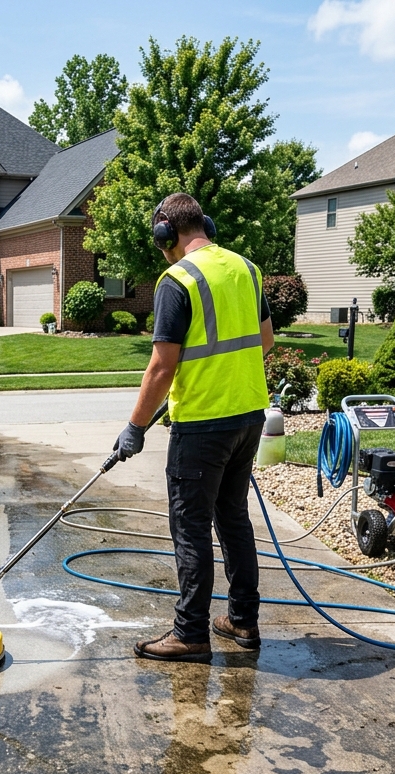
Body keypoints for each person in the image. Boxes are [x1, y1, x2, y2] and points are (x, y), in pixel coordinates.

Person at [113, 193, 275, 663]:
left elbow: (162, 367)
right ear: (204, 223)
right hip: (248, 417)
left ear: (166, 232)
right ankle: (242, 621)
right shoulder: (247, 269)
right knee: (233, 519)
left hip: (203, 427)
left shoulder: (176, 279)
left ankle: (191, 633)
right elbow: (264, 340)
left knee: (191, 528)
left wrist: (135, 426)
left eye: (158, 238)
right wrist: (218, 380)